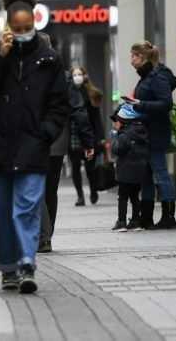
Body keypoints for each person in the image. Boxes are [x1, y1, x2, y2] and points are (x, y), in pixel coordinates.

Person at [0, 0, 70, 294]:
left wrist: (46, 133)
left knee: (27, 207)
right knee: (3, 212)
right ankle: (8, 269)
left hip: (33, 145)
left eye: (28, 27)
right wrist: (0, 58)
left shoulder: (48, 58)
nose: (23, 32)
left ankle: (27, 263)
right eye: (18, 27)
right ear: (8, 24)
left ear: (35, 22)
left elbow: (60, 102)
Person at [38, 53, 95, 253]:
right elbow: (79, 110)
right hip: (57, 141)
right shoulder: (63, 77)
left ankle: (43, 236)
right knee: (50, 190)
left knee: (35, 188)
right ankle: (47, 235)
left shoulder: (25, 71)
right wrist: (88, 141)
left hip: (34, 141)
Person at [122, 41, 176, 230]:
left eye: (134, 56)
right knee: (146, 175)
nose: (131, 60)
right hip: (145, 134)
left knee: (160, 173)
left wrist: (139, 104)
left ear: (143, 57)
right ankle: (146, 217)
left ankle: (168, 217)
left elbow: (166, 103)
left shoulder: (157, 77)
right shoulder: (146, 77)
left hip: (156, 133)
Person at [68, 66, 105, 206]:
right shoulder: (68, 93)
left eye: (79, 74)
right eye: (74, 75)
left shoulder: (90, 93)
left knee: (90, 167)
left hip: (89, 135)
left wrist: (100, 137)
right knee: (75, 167)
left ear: (84, 76)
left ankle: (93, 190)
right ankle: (80, 196)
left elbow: (96, 118)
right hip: (73, 135)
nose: (77, 77)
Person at [110, 104, 149, 231]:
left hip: (125, 171)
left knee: (123, 197)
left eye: (117, 121)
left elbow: (117, 149)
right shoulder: (142, 131)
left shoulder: (124, 135)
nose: (115, 123)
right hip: (139, 171)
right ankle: (136, 221)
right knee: (135, 196)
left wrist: (115, 137)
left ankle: (121, 222)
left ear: (124, 121)